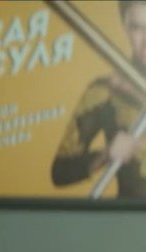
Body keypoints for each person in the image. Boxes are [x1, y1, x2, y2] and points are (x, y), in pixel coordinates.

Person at [51, 0, 146, 198]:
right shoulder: (105, 91)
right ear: (126, 28)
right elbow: (60, 171)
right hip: (128, 214)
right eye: (137, 28)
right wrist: (107, 154)